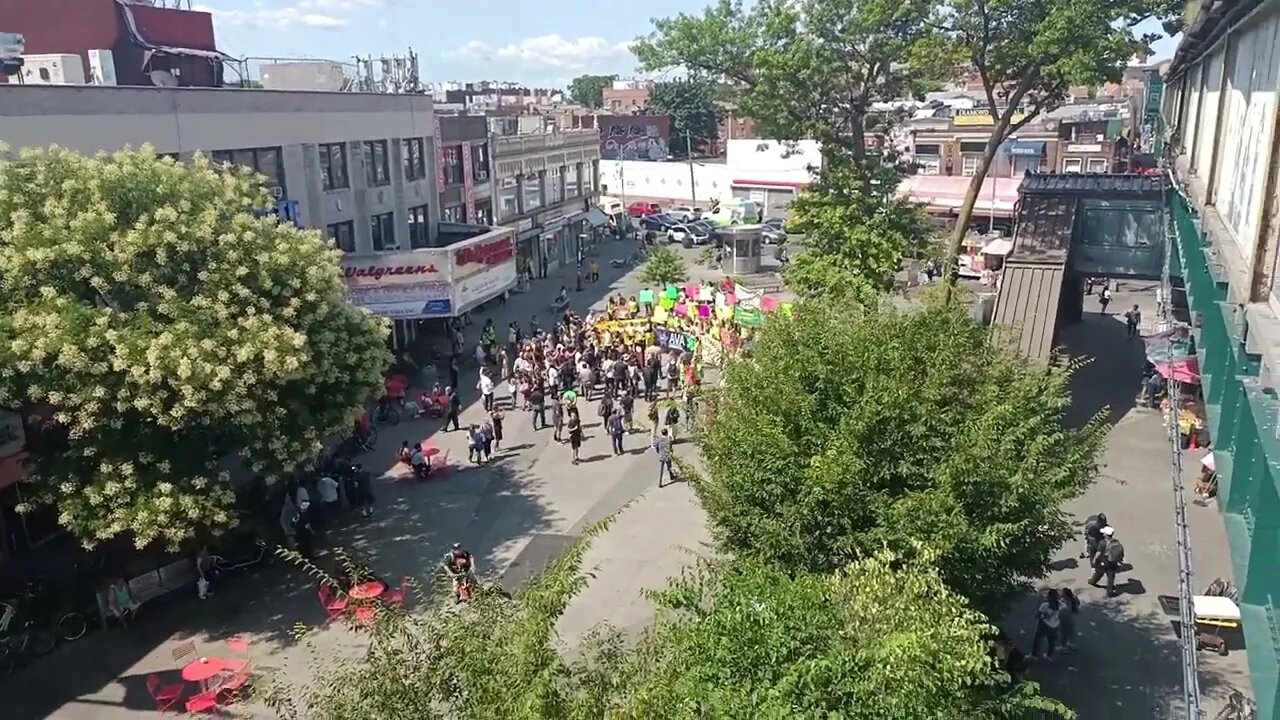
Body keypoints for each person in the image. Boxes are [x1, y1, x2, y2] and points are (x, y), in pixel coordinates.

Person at [1089, 526, 1124, 597]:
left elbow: (1098, 553)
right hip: (1113, 562)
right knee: (1111, 578)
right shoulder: (1116, 542)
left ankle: (1092, 582)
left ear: (1105, 534)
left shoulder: (1103, 542)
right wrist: (1120, 561)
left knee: (1099, 572)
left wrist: (1094, 561)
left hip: (1104, 561)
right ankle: (1110, 592)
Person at [1031, 588, 1062, 660]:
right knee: (1051, 641)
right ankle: (1049, 655)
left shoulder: (1045, 605)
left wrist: (1039, 615)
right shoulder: (1060, 605)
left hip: (1044, 624)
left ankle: (1034, 654)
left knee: (1037, 639)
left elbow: (1042, 616)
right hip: (1054, 625)